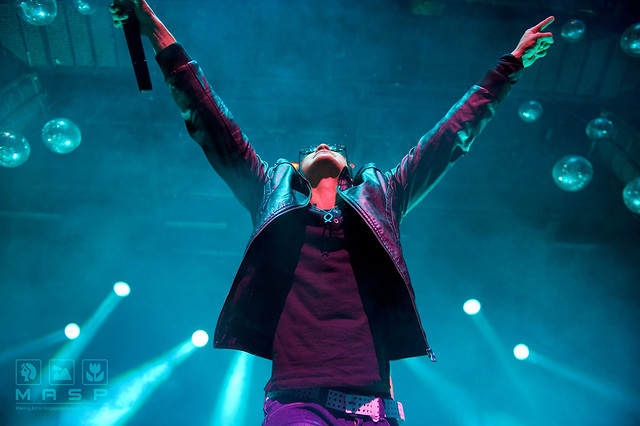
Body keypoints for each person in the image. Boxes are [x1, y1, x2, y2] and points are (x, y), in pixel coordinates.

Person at [111, 2, 553, 424]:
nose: (323, 145)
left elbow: (450, 137)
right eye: (311, 148)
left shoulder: (384, 195)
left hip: (372, 407)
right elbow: (209, 118)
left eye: (334, 146)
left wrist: (509, 65)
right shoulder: (269, 191)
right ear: (296, 167)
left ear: (349, 169)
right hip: (295, 403)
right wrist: (148, 21)